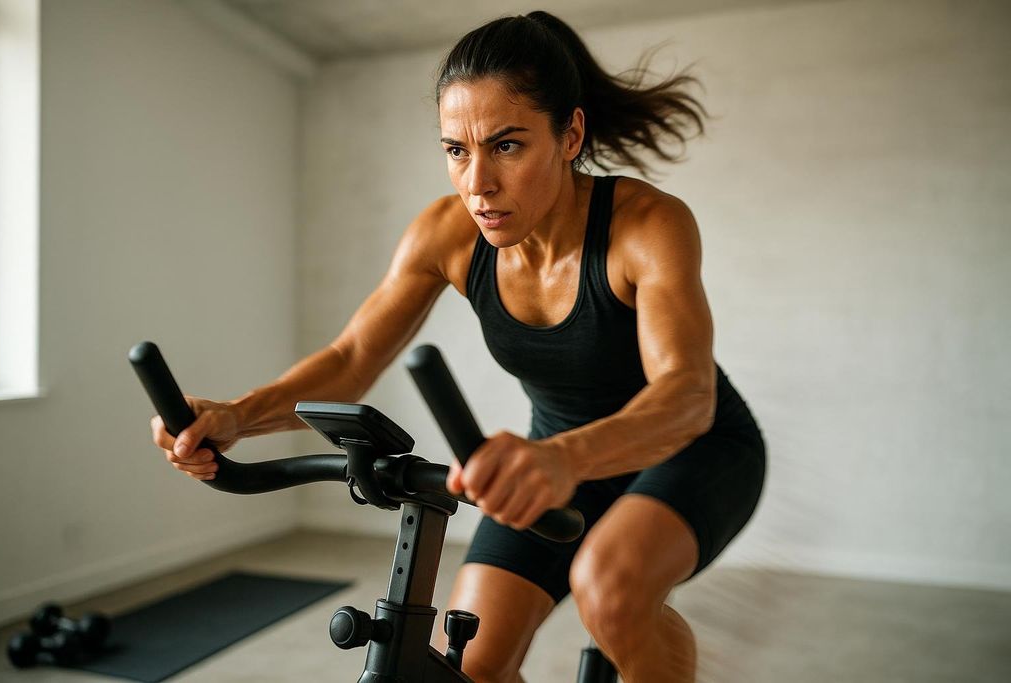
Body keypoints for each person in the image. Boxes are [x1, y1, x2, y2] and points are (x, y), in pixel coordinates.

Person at [150, 11, 765, 683]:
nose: (478, 183)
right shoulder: (446, 234)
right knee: (471, 663)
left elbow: (687, 394)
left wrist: (565, 458)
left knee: (610, 593)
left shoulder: (646, 225)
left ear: (571, 135)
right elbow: (353, 357)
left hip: (694, 451)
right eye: (456, 150)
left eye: (506, 146)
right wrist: (238, 415)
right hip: (553, 456)